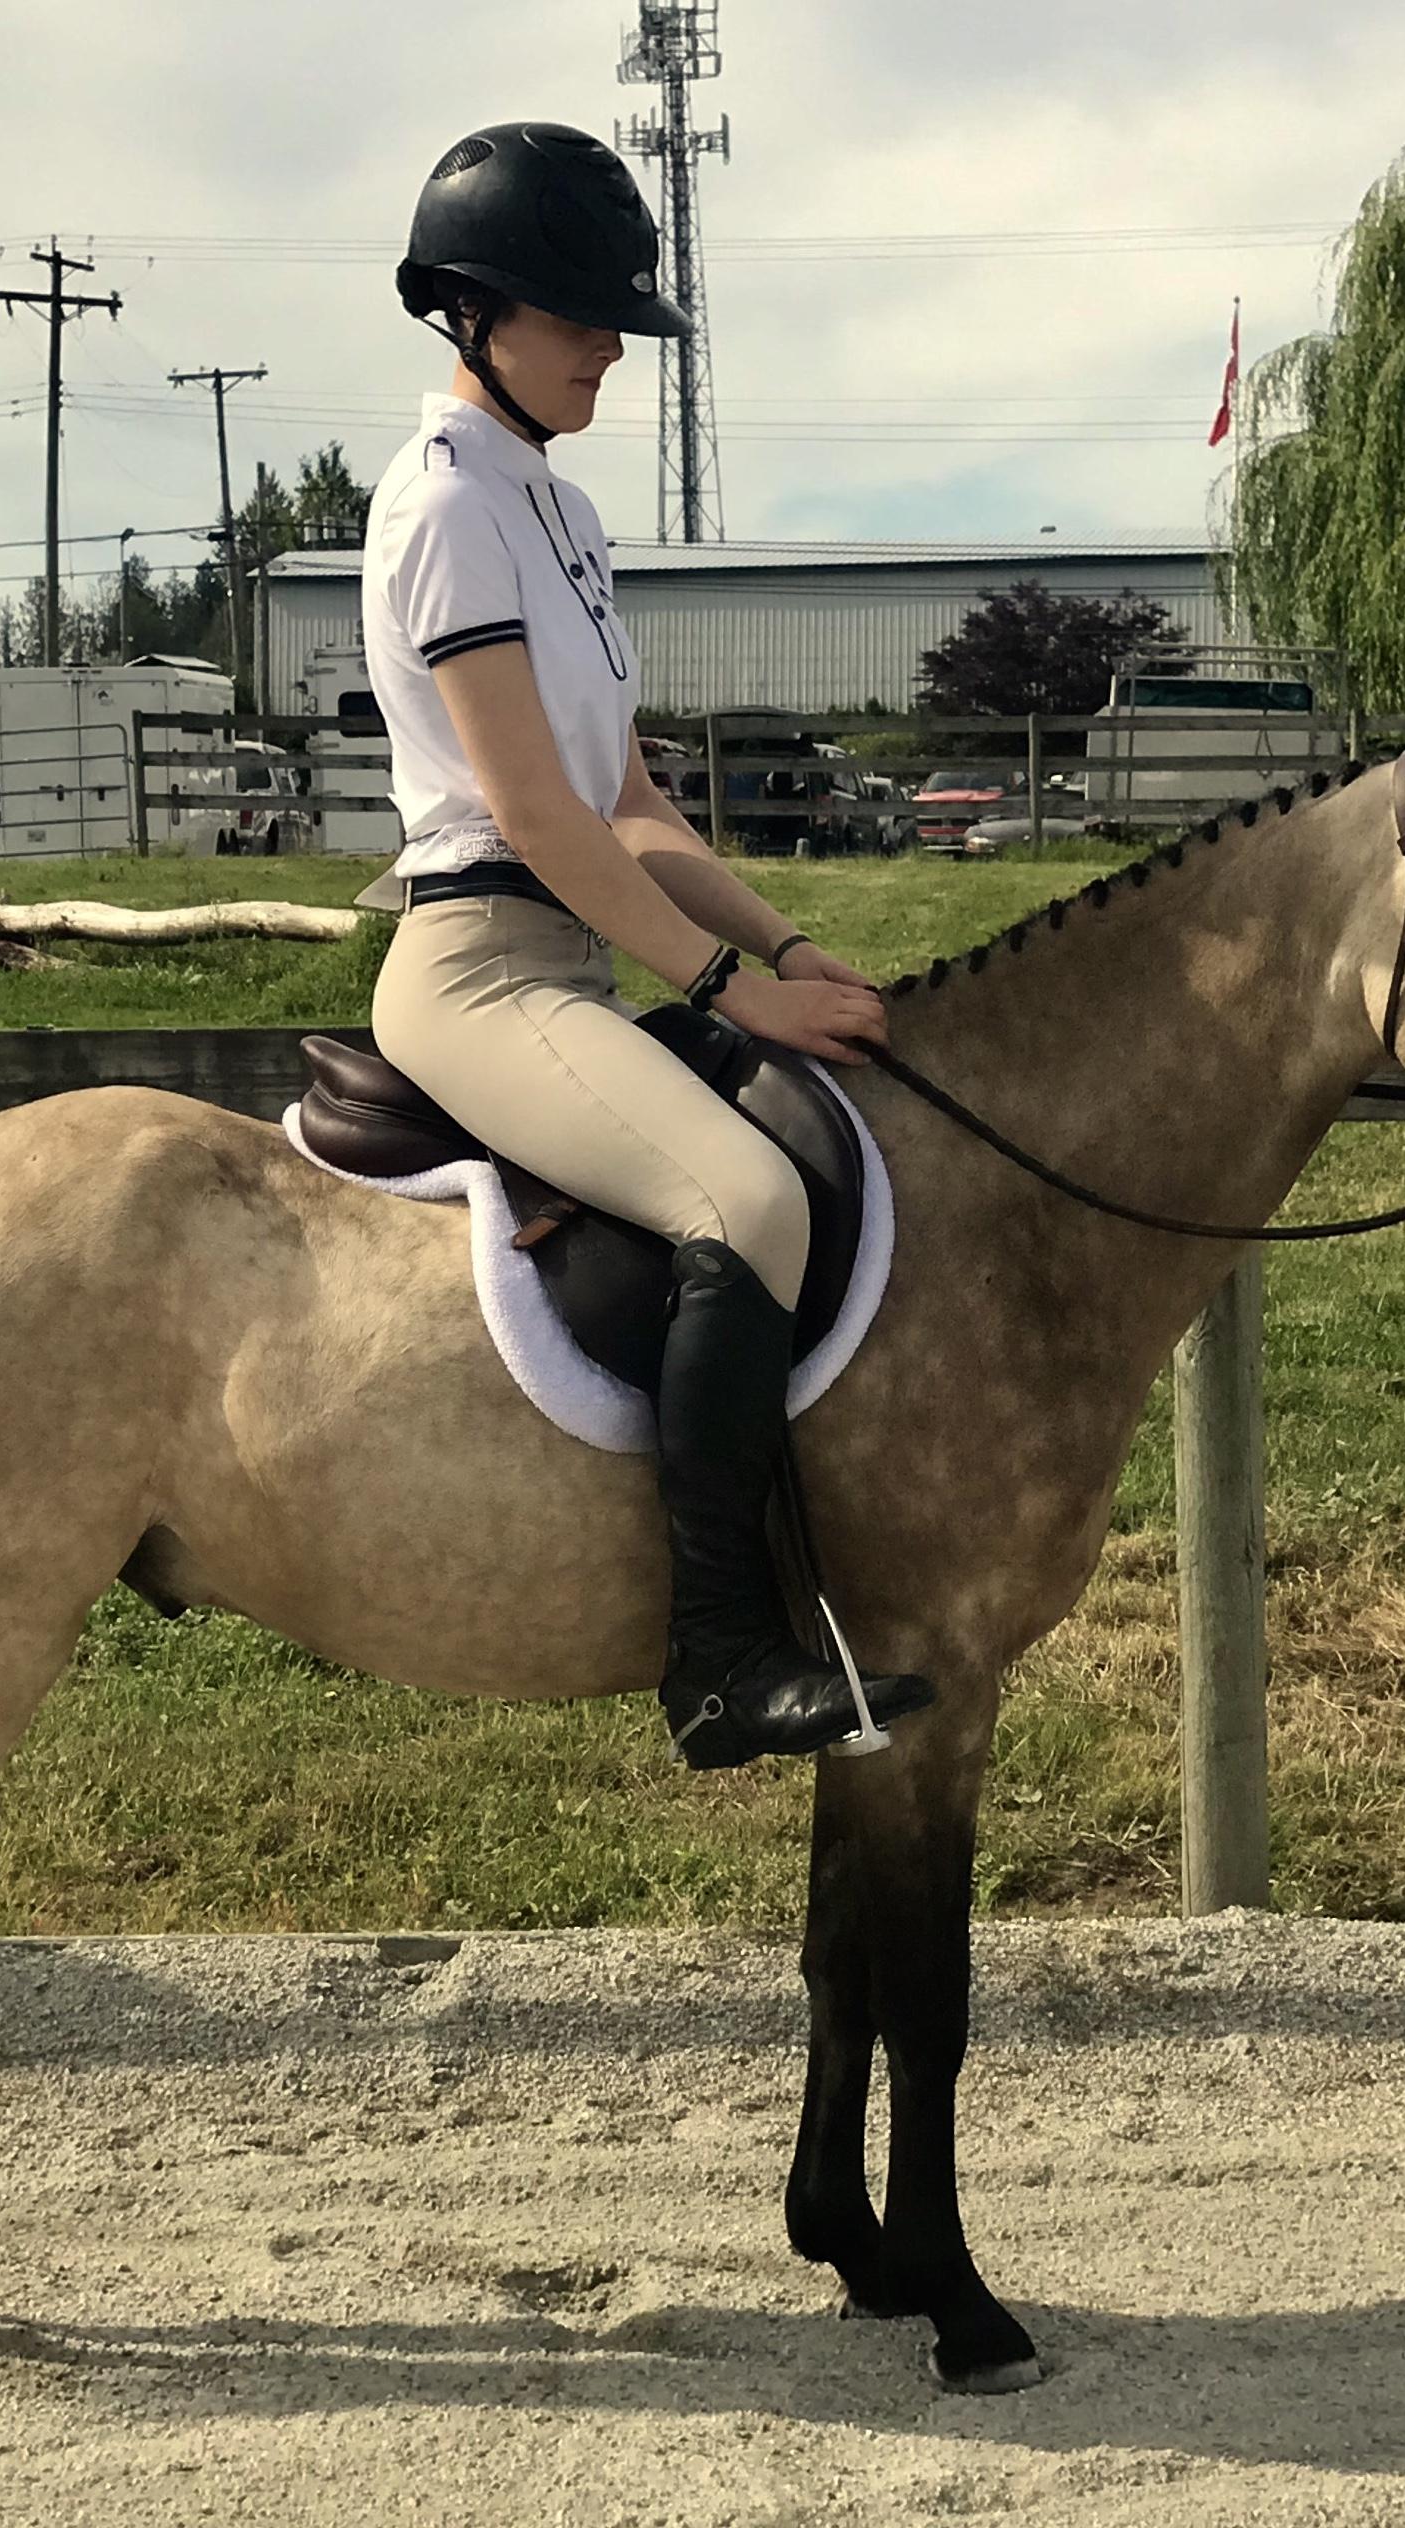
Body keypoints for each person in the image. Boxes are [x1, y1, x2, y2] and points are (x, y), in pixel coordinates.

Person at [361, 121, 933, 1769]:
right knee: (741, 1198)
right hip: (477, 964)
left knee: (813, 1129)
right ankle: (719, 1657)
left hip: (572, 952)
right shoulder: (449, 507)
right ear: (473, 314)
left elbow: (634, 807)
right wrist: (725, 988)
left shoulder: (560, 512)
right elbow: (539, 823)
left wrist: (796, 947)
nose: (613, 341)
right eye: (581, 314)